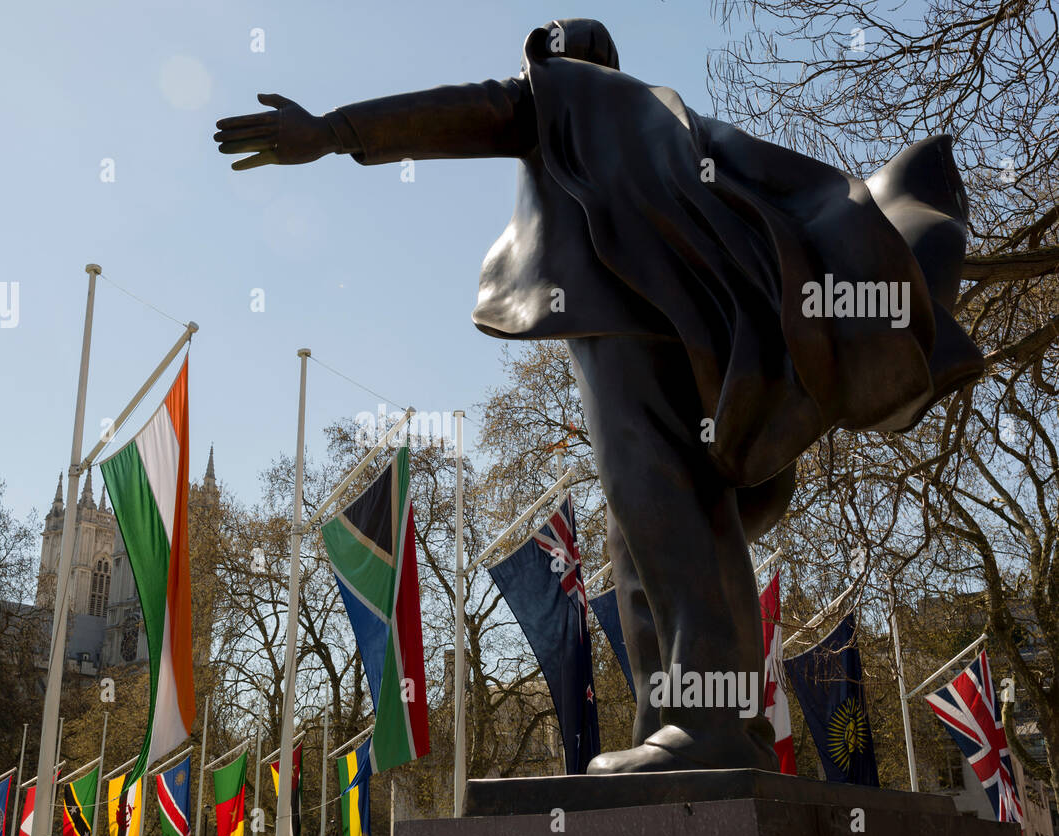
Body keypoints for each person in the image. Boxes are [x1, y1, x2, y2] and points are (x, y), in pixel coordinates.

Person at [215, 18, 983, 773]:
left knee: (660, 507)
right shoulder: (666, 126)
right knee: (644, 529)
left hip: (626, 326)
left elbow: (473, 110)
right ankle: (686, 722)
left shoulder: (566, 95)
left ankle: (708, 723)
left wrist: (333, 129)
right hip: (680, 332)